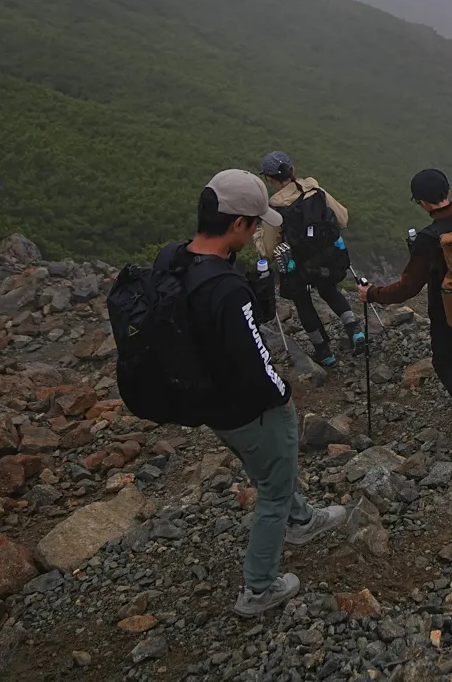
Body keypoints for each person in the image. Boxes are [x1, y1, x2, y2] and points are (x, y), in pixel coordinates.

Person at [167, 169, 347, 617]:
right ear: (237, 224)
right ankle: (259, 588)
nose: (254, 233)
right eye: (253, 224)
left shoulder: (174, 260)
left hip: (210, 401)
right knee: (271, 492)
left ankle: (303, 518)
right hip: (249, 406)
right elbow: (253, 355)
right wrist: (282, 394)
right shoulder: (226, 288)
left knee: (271, 473)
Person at [359, 168, 452, 441]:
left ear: (423, 203)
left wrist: (372, 294)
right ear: (448, 191)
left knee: (444, 361)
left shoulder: (429, 238)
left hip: (449, 312)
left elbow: (408, 288)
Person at [255, 150, 362, 367]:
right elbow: (343, 218)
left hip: (297, 265)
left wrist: (257, 234)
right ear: (292, 170)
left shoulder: (274, 208)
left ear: (269, 178)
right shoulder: (316, 190)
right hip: (327, 258)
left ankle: (324, 352)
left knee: (303, 303)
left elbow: (267, 250)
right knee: (329, 290)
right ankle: (355, 331)